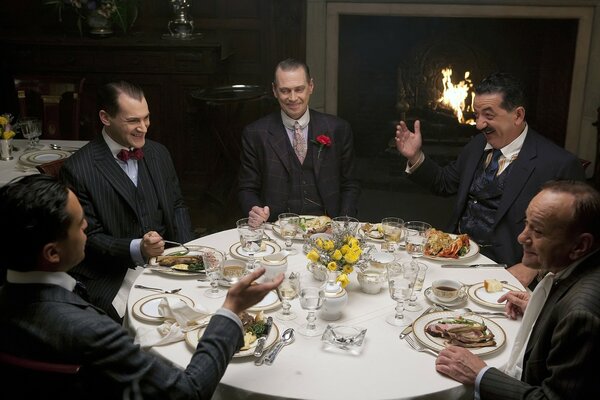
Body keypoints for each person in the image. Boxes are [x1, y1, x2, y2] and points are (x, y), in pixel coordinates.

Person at [0, 174, 283, 399]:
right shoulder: (90, 331)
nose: (88, 225)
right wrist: (231, 311)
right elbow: (188, 391)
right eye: (80, 224)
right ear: (52, 253)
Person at [394, 72, 585, 288]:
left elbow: (576, 234)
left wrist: (535, 266)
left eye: (488, 115)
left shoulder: (558, 164)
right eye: (476, 115)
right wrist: (415, 156)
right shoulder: (477, 145)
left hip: (508, 271)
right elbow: (444, 182)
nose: (478, 125)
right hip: (455, 258)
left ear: (518, 115)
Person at [435, 180, 600, 399]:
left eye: (538, 231)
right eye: (526, 223)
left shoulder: (582, 314)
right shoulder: (578, 269)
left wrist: (481, 375)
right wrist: (539, 309)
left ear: (579, 246)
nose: (522, 237)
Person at [60, 80, 194, 322]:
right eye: (133, 121)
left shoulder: (159, 153)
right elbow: (89, 238)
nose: (143, 128)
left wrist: (189, 253)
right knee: (147, 322)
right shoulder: (78, 168)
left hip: (170, 262)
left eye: (146, 118)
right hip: (114, 273)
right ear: (105, 117)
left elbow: (177, 207)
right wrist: (137, 249)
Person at [238, 58, 361, 225]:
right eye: (285, 91)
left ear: (310, 86)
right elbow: (247, 188)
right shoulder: (255, 134)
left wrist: (343, 222)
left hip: (329, 228)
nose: (293, 98)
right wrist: (255, 210)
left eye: (299, 89)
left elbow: (350, 185)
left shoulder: (338, 129)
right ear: (274, 90)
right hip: (276, 230)